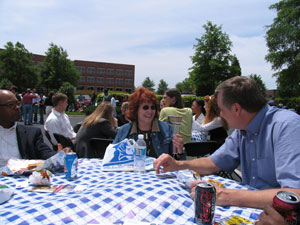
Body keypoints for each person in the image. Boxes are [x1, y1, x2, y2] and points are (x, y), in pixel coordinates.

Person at [154, 76, 300, 209]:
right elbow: (214, 163)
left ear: (236, 108)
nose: (221, 115)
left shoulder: (286, 126)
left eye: (221, 110)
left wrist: (225, 195)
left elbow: (294, 194)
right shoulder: (242, 129)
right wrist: (178, 165)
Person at [113, 87, 177, 158]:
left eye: (153, 108)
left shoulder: (167, 130)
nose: (150, 111)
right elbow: (112, 157)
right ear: (136, 110)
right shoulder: (124, 131)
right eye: (145, 107)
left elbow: (177, 162)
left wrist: (179, 152)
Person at [0, 90, 57, 167]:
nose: (17, 107)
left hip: (21, 177)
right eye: (10, 105)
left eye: (18, 104)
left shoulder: (31, 134)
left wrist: (58, 156)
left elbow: (45, 153)